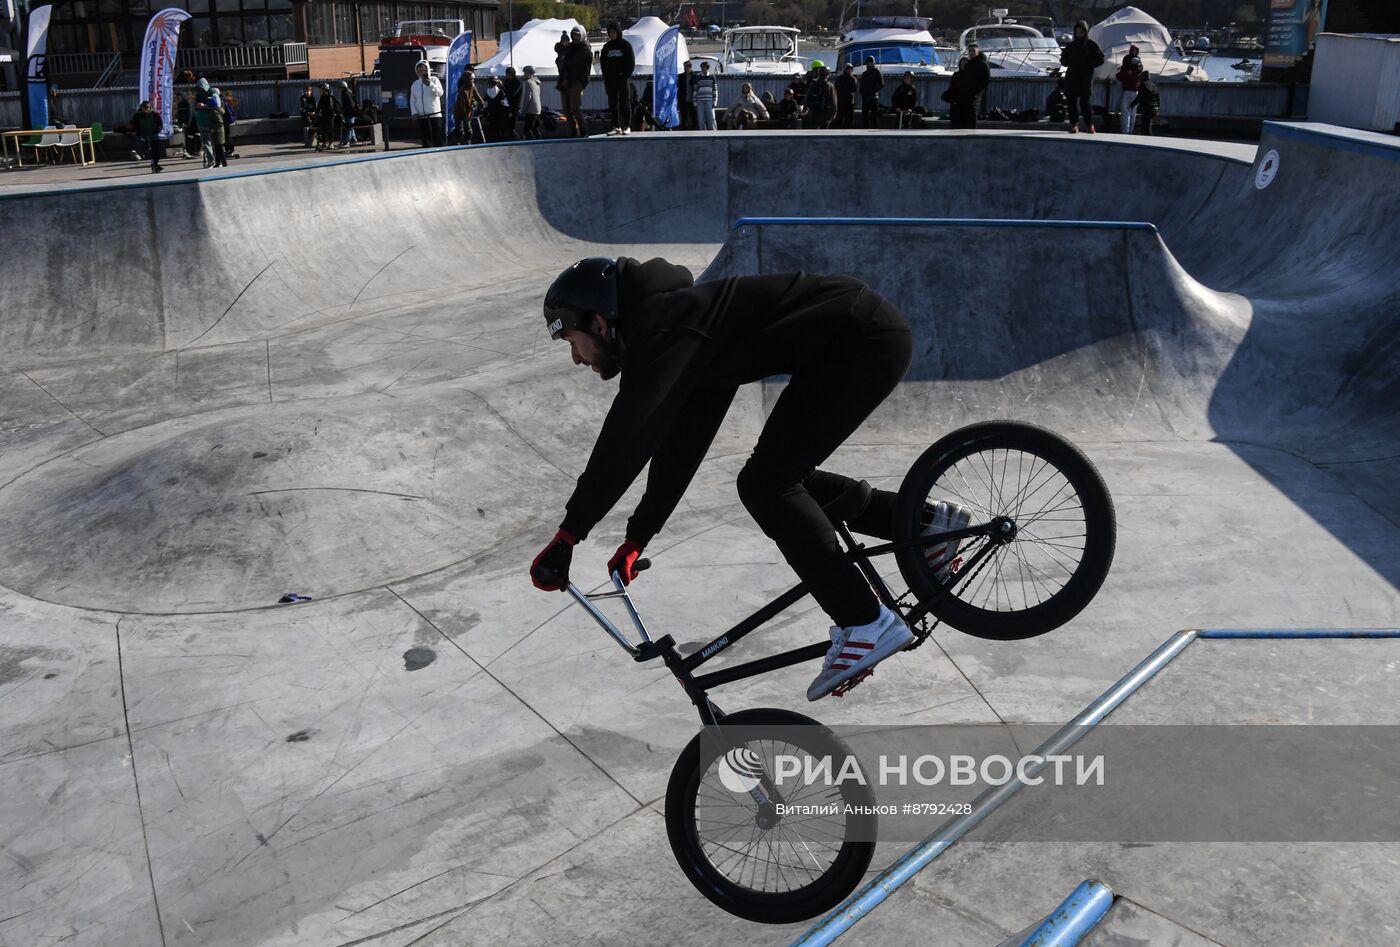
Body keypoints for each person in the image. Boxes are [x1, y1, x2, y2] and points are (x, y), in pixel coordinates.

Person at [529, 258, 971, 701]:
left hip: (860, 340)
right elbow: (682, 441)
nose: (574, 358)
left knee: (766, 484)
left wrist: (569, 535)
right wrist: (640, 533)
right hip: (858, 337)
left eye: (571, 340)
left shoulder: (665, 328)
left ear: (600, 323)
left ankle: (864, 621)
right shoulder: (680, 326)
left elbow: (627, 436)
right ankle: (925, 526)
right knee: (778, 478)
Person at [1059, 19, 1104, 133]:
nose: (1079, 34)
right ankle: (1074, 124)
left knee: (1085, 104)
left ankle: (1089, 124)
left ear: (1085, 32)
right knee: (1071, 103)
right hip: (1072, 78)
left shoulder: (1092, 45)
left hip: (1085, 79)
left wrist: (1088, 63)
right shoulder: (1071, 46)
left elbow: (1100, 59)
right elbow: (1063, 60)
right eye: (1077, 32)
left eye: (1081, 32)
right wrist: (1071, 61)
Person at [555, 26, 593, 138]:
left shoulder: (585, 49)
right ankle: (573, 131)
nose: (575, 37)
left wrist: (580, 82)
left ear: (582, 35)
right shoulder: (569, 48)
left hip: (577, 81)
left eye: (578, 35)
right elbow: (561, 59)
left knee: (574, 107)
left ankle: (583, 131)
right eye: (574, 34)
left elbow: (584, 69)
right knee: (566, 109)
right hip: (565, 81)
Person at [601, 22, 635, 135]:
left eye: (614, 32)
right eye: (610, 33)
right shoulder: (607, 47)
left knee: (624, 102)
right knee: (613, 103)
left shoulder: (626, 45)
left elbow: (631, 63)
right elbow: (603, 63)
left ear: (618, 32)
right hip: (611, 80)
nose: (612, 34)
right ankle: (616, 126)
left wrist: (625, 76)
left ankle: (627, 126)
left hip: (623, 79)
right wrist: (606, 76)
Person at [951, 43, 989, 129]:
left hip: (976, 91)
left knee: (972, 107)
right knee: (962, 107)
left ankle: (972, 127)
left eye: (973, 51)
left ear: (978, 52)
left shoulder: (982, 63)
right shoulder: (969, 64)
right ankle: (963, 126)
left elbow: (986, 79)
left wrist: (978, 89)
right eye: (970, 51)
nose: (971, 53)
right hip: (966, 90)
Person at [410, 60, 445, 147]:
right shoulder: (415, 84)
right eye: (420, 71)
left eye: (424, 70)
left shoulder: (434, 80)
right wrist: (414, 112)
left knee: (437, 138)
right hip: (421, 116)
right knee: (426, 139)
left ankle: (440, 154)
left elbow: (440, 93)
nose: (422, 73)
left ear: (428, 70)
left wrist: (431, 85)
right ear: (417, 71)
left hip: (435, 115)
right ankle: (427, 155)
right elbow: (412, 100)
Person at [452, 69, 485, 144]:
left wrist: (482, 105)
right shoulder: (462, 90)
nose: (473, 80)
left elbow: (478, 97)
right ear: (466, 80)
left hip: (467, 111)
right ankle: (460, 143)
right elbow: (462, 106)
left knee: (469, 130)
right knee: (460, 130)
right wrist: (466, 117)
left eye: (473, 79)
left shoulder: (473, 87)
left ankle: (468, 143)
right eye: (471, 79)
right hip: (459, 112)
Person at [1115, 44, 1142, 134]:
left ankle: (1125, 131)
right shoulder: (1139, 66)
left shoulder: (1126, 64)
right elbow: (1140, 71)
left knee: (1125, 112)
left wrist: (1120, 73)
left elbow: (1121, 75)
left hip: (1127, 90)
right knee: (1133, 112)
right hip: (1135, 91)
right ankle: (1130, 131)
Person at [131, 100, 164, 173]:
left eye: (147, 107)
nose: (146, 109)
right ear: (142, 108)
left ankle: (155, 165)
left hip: (154, 135)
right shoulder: (137, 116)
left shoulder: (155, 114)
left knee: (157, 152)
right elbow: (134, 125)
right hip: (144, 136)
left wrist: (157, 130)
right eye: (144, 108)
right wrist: (139, 133)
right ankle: (154, 166)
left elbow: (160, 124)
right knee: (150, 152)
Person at [1129, 69, 1159, 136]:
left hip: (1147, 108)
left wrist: (1132, 104)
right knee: (1147, 125)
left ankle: (1146, 139)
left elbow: (1140, 97)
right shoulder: (1154, 85)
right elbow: (1157, 97)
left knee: (1145, 126)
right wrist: (1158, 107)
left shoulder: (1142, 85)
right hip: (1155, 108)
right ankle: (1147, 137)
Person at [484, 78, 516, 142]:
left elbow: (485, 103)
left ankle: (493, 140)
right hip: (500, 113)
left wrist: (485, 112)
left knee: (492, 128)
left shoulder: (487, 92)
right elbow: (505, 103)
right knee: (500, 128)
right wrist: (508, 111)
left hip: (491, 113)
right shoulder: (500, 91)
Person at [859, 55, 884, 129]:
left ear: (874, 63)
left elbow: (881, 84)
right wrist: (862, 92)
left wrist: (873, 90)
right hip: (865, 98)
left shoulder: (877, 72)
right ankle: (865, 131)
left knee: (874, 116)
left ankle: (875, 132)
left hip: (874, 98)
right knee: (865, 116)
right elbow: (862, 85)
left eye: (871, 62)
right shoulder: (864, 74)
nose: (869, 64)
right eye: (868, 62)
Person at [692, 61, 718, 130]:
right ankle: (702, 134)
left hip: (710, 100)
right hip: (699, 101)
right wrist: (694, 102)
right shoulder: (698, 77)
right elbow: (695, 90)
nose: (702, 69)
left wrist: (715, 101)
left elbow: (715, 90)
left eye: (703, 67)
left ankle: (713, 134)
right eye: (701, 67)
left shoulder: (712, 77)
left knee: (711, 118)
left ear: (707, 68)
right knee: (700, 119)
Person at [206, 87, 228, 168]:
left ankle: (224, 162)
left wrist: (214, 129)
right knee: (217, 147)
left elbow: (219, 122)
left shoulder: (214, 111)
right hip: (218, 131)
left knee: (219, 148)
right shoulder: (216, 110)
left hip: (218, 132)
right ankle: (218, 163)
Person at [520, 65, 544, 139]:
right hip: (538, 110)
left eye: (524, 73)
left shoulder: (528, 82)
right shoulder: (537, 83)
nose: (523, 74)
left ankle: (532, 145)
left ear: (529, 73)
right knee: (535, 128)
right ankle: (539, 143)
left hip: (531, 110)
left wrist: (523, 110)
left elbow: (527, 98)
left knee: (527, 130)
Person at [315, 82, 339, 151]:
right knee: (324, 129)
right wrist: (316, 112)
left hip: (330, 116)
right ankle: (325, 142)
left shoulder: (329, 96)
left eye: (320, 89)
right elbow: (319, 106)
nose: (319, 91)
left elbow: (330, 107)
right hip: (324, 115)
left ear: (324, 89)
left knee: (330, 129)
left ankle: (331, 143)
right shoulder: (322, 96)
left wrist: (323, 112)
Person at [833, 64, 857, 129]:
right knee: (839, 118)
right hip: (841, 101)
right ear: (845, 69)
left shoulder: (853, 79)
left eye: (851, 69)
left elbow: (853, 89)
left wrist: (843, 88)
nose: (849, 71)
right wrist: (845, 88)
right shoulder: (839, 78)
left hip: (849, 102)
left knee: (849, 119)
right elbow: (837, 87)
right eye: (848, 69)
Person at [338, 81, 359, 147]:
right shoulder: (345, 93)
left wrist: (344, 110)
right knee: (350, 127)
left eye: (340, 88)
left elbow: (351, 105)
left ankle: (347, 142)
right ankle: (354, 140)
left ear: (343, 87)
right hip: (348, 113)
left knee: (349, 127)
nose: (339, 89)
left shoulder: (347, 94)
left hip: (349, 113)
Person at [679, 60, 697, 129]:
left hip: (693, 101)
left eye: (685, 66)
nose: (684, 68)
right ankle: (683, 134)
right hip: (683, 101)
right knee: (684, 118)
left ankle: (696, 132)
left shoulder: (695, 76)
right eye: (684, 66)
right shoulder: (680, 76)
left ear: (689, 66)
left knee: (694, 118)